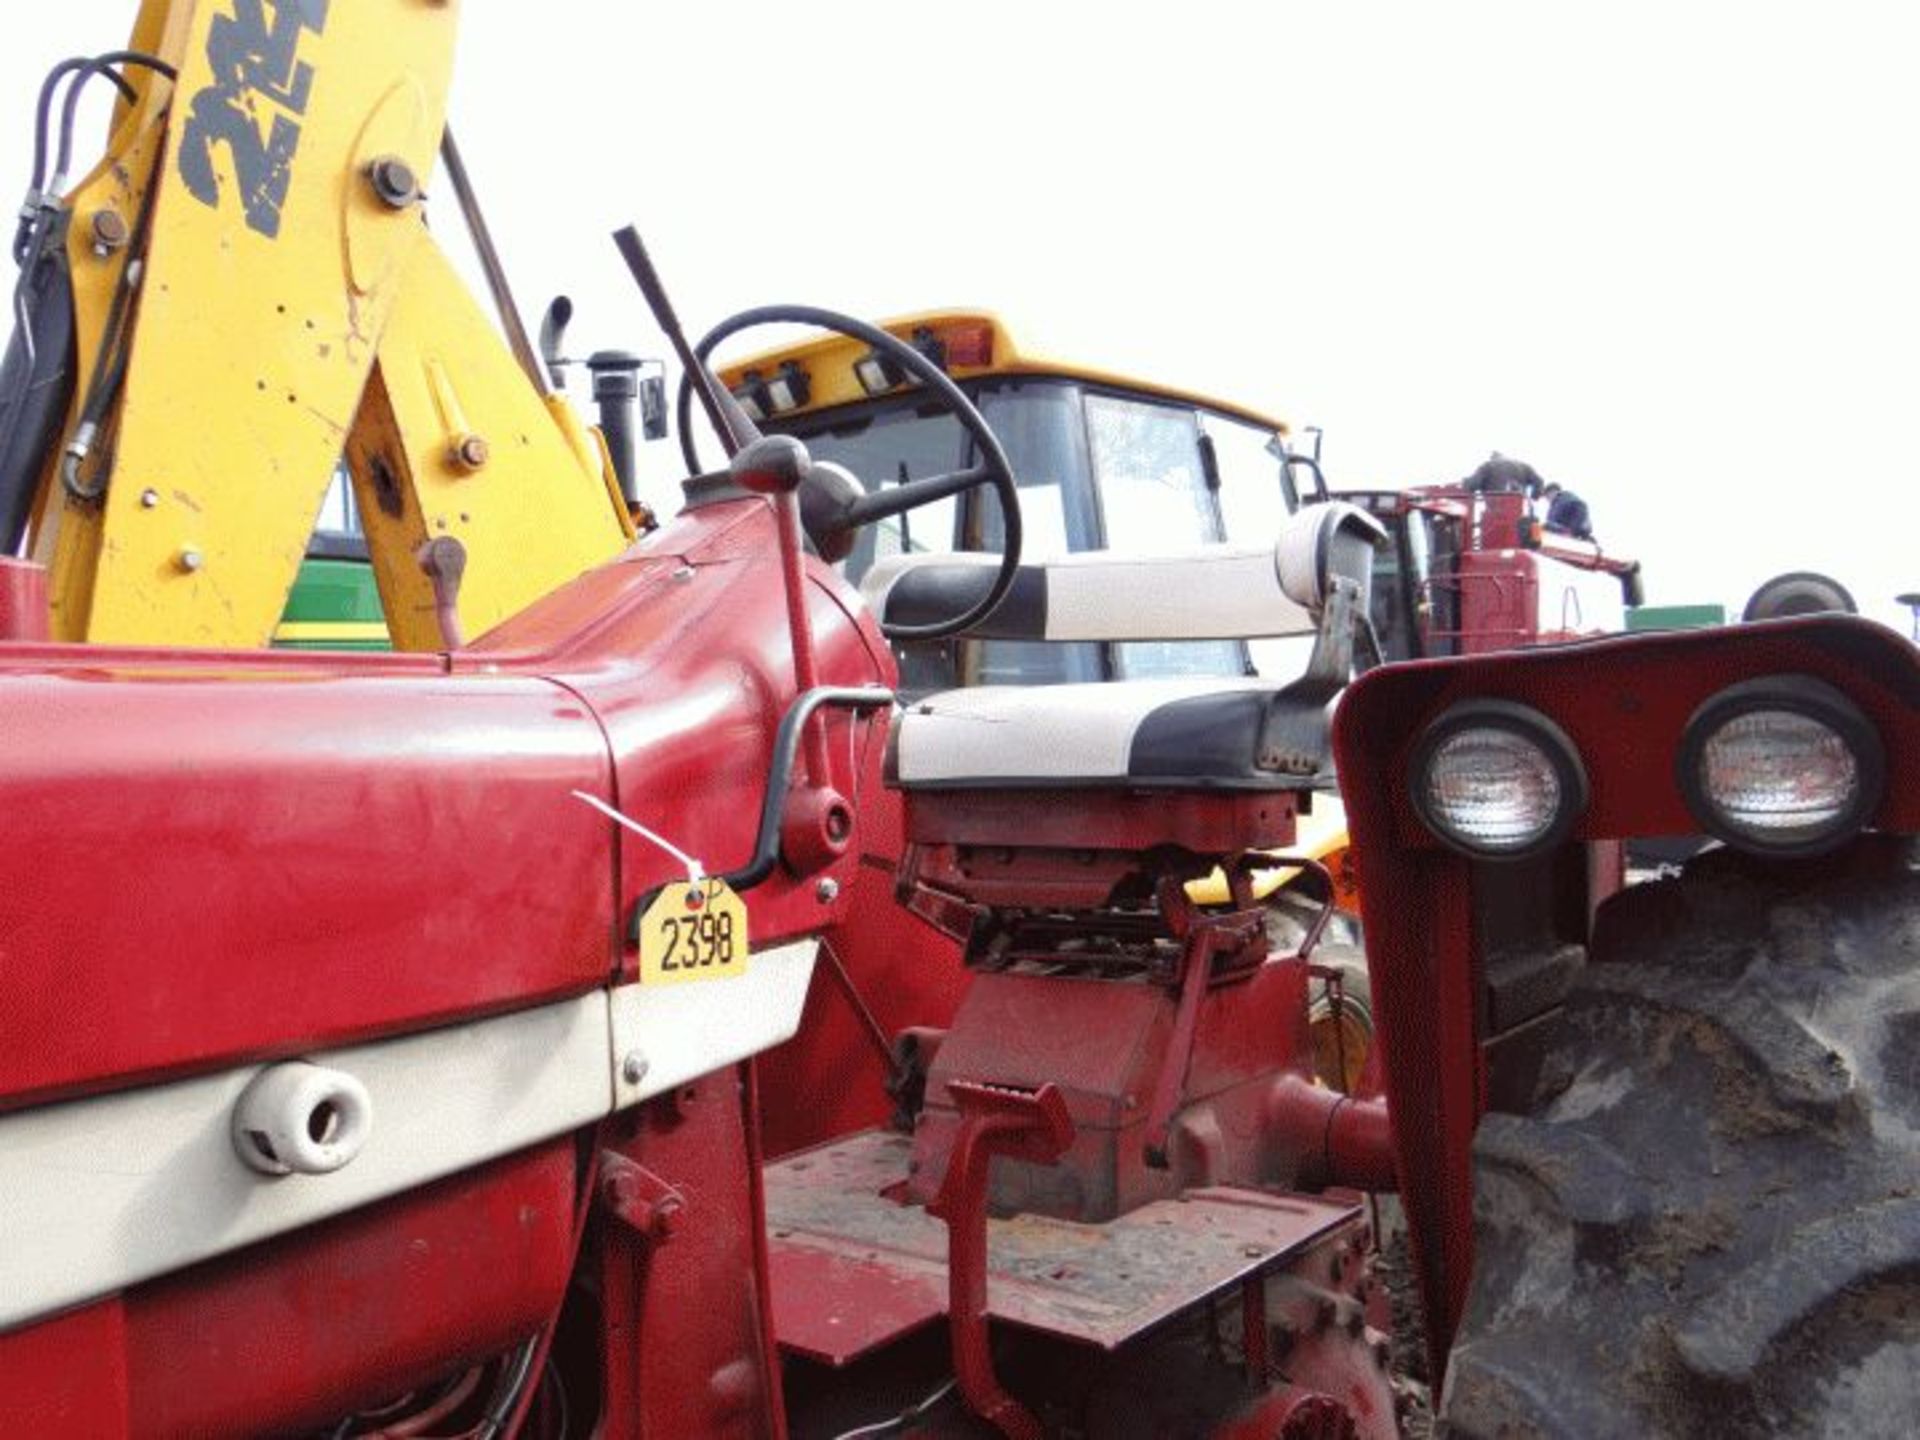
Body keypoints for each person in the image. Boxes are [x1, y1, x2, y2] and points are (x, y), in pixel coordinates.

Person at [1461, 452, 1545, 497]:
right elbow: (1539, 481)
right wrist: (1534, 498)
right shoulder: (1523, 466)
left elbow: (1473, 484)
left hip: (1495, 512)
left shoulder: (1488, 465)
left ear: (1492, 458)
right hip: (1519, 513)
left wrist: (1465, 482)